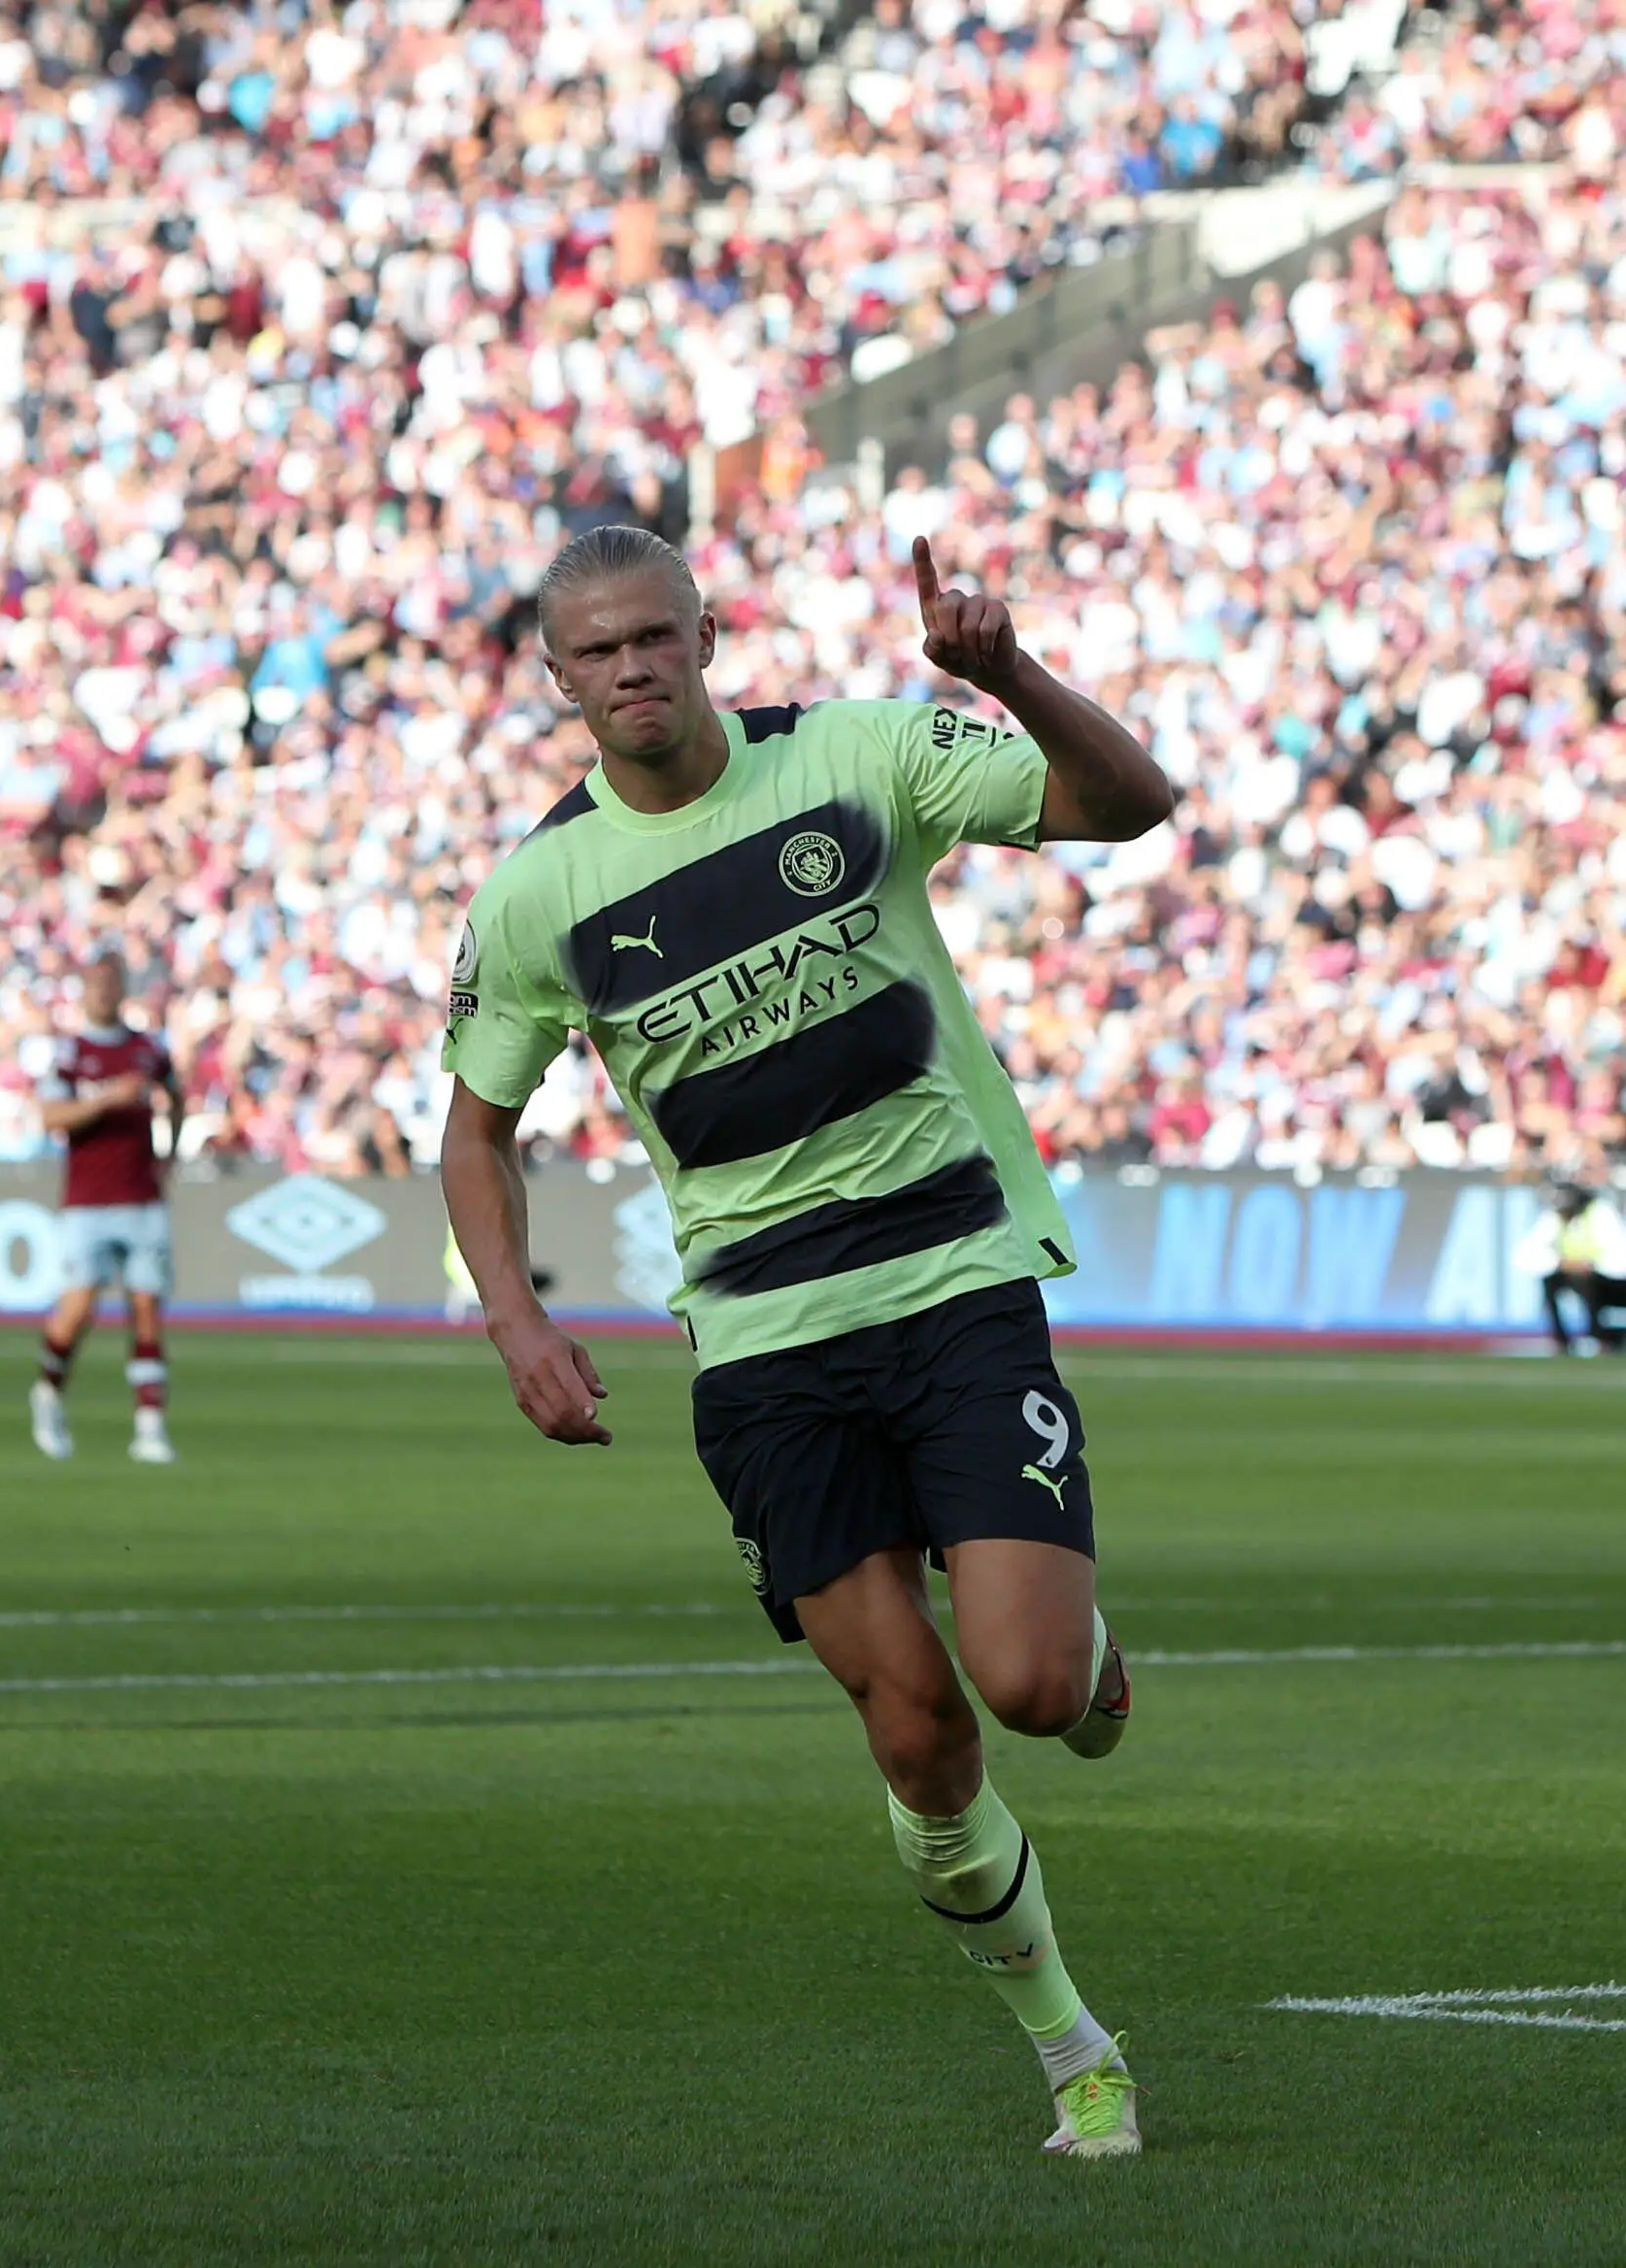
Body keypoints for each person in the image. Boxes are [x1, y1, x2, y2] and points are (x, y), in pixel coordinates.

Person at [438, 526, 1173, 2158]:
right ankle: (1073, 2049)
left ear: (706, 635)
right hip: (765, 1341)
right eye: (596, 650)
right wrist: (516, 1318)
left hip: (951, 1272)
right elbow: (474, 1132)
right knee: (917, 1734)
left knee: (1035, 1685)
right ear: (558, 680)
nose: (631, 666)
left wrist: (1006, 676)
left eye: (654, 635)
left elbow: (1132, 806)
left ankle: (1078, 1632)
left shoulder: (853, 756)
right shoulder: (540, 896)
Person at [29, 950, 183, 1464]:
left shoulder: (147, 1048)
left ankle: (150, 1425)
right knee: (78, 1308)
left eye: (112, 984)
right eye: (96, 984)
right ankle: (48, 1393)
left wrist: (171, 1154)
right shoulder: (71, 1054)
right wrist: (104, 1100)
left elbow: (176, 1095)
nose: (104, 992)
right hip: (88, 1201)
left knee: (146, 1307)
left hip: (142, 1196)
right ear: (84, 991)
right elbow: (52, 1116)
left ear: (122, 990)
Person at [1535, 1180, 1626, 1354]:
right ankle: (1561, 1341)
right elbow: (1529, 1254)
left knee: (1585, 1281)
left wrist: (1589, 1265)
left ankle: (1598, 1337)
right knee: (1550, 1281)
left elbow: (1623, 1260)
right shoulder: (1555, 1217)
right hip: (1578, 1276)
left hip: (1611, 1284)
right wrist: (1562, 1263)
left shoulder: (1601, 1213)